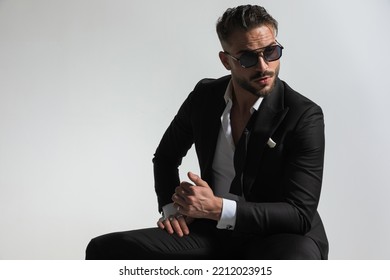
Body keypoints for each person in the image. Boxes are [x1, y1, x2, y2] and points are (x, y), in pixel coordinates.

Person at [86, 4, 328, 260]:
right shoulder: (205, 97)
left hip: (281, 237)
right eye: (247, 57)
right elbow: (166, 156)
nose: (263, 66)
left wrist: (218, 208)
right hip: (213, 233)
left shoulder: (304, 115)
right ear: (226, 61)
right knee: (105, 250)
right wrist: (172, 210)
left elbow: (299, 214)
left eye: (271, 52)